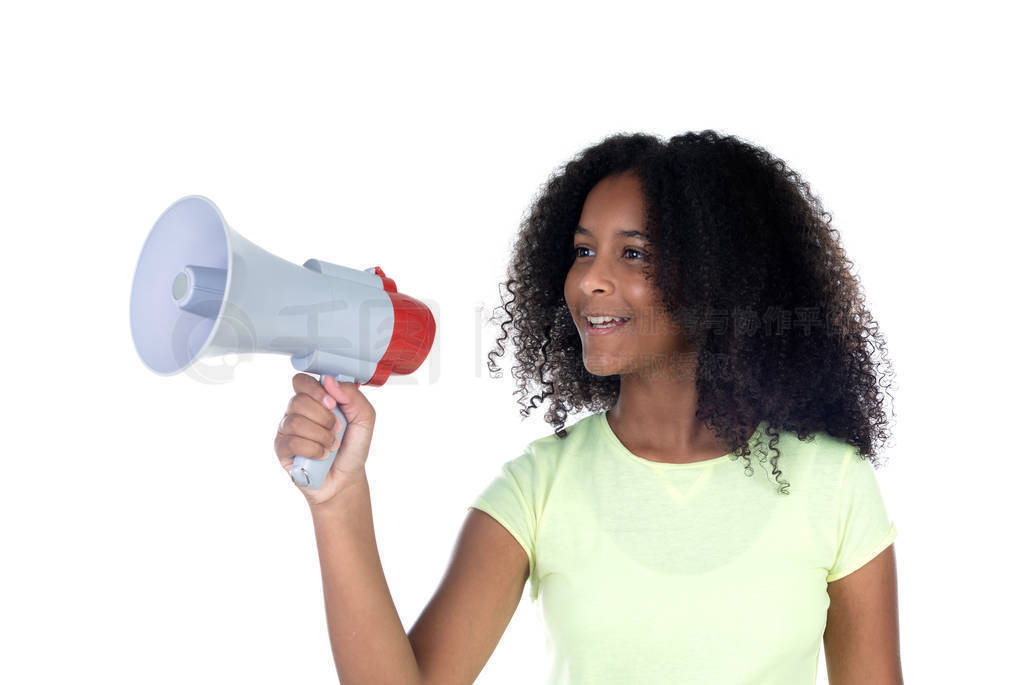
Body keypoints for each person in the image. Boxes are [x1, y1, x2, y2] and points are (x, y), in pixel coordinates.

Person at [273, 130, 904, 685]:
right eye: (582, 251)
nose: (589, 281)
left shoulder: (834, 484)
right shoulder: (539, 487)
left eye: (633, 253)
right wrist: (340, 503)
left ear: (719, 277)